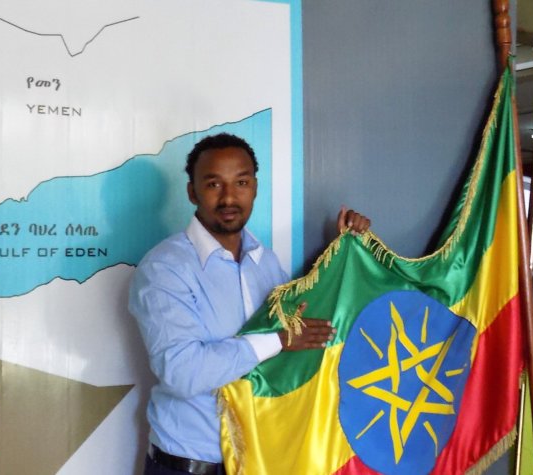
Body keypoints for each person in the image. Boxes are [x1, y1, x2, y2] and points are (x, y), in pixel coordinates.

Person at [129, 133, 370, 474]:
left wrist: (344, 250)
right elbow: (182, 372)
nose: (229, 196)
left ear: (255, 187)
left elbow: (300, 322)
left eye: (241, 182)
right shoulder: (165, 268)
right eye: (214, 184)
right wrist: (278, 342)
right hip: (190, 466)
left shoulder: (265, 262)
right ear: (192, 192)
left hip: (261, 461)